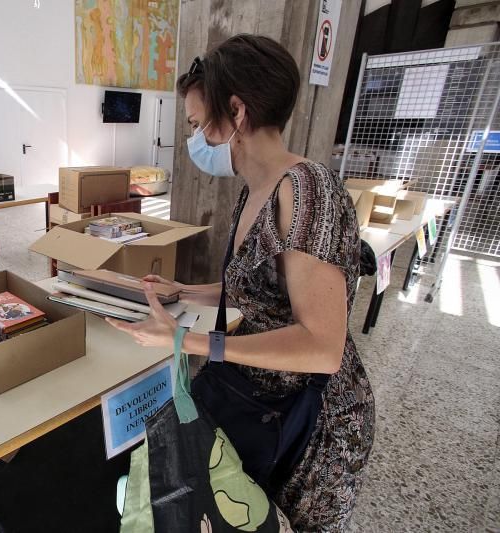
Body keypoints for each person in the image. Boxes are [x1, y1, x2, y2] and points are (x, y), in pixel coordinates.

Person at [107, 34, 375, 532]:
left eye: (196, 125)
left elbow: (322, 347)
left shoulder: (307, 189)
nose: (195, 141)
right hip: (265, 407)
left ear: (236, 111)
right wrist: (183, 292)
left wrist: (187, 339)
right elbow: (258, 291)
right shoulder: (255, 191)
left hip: (313, 426)